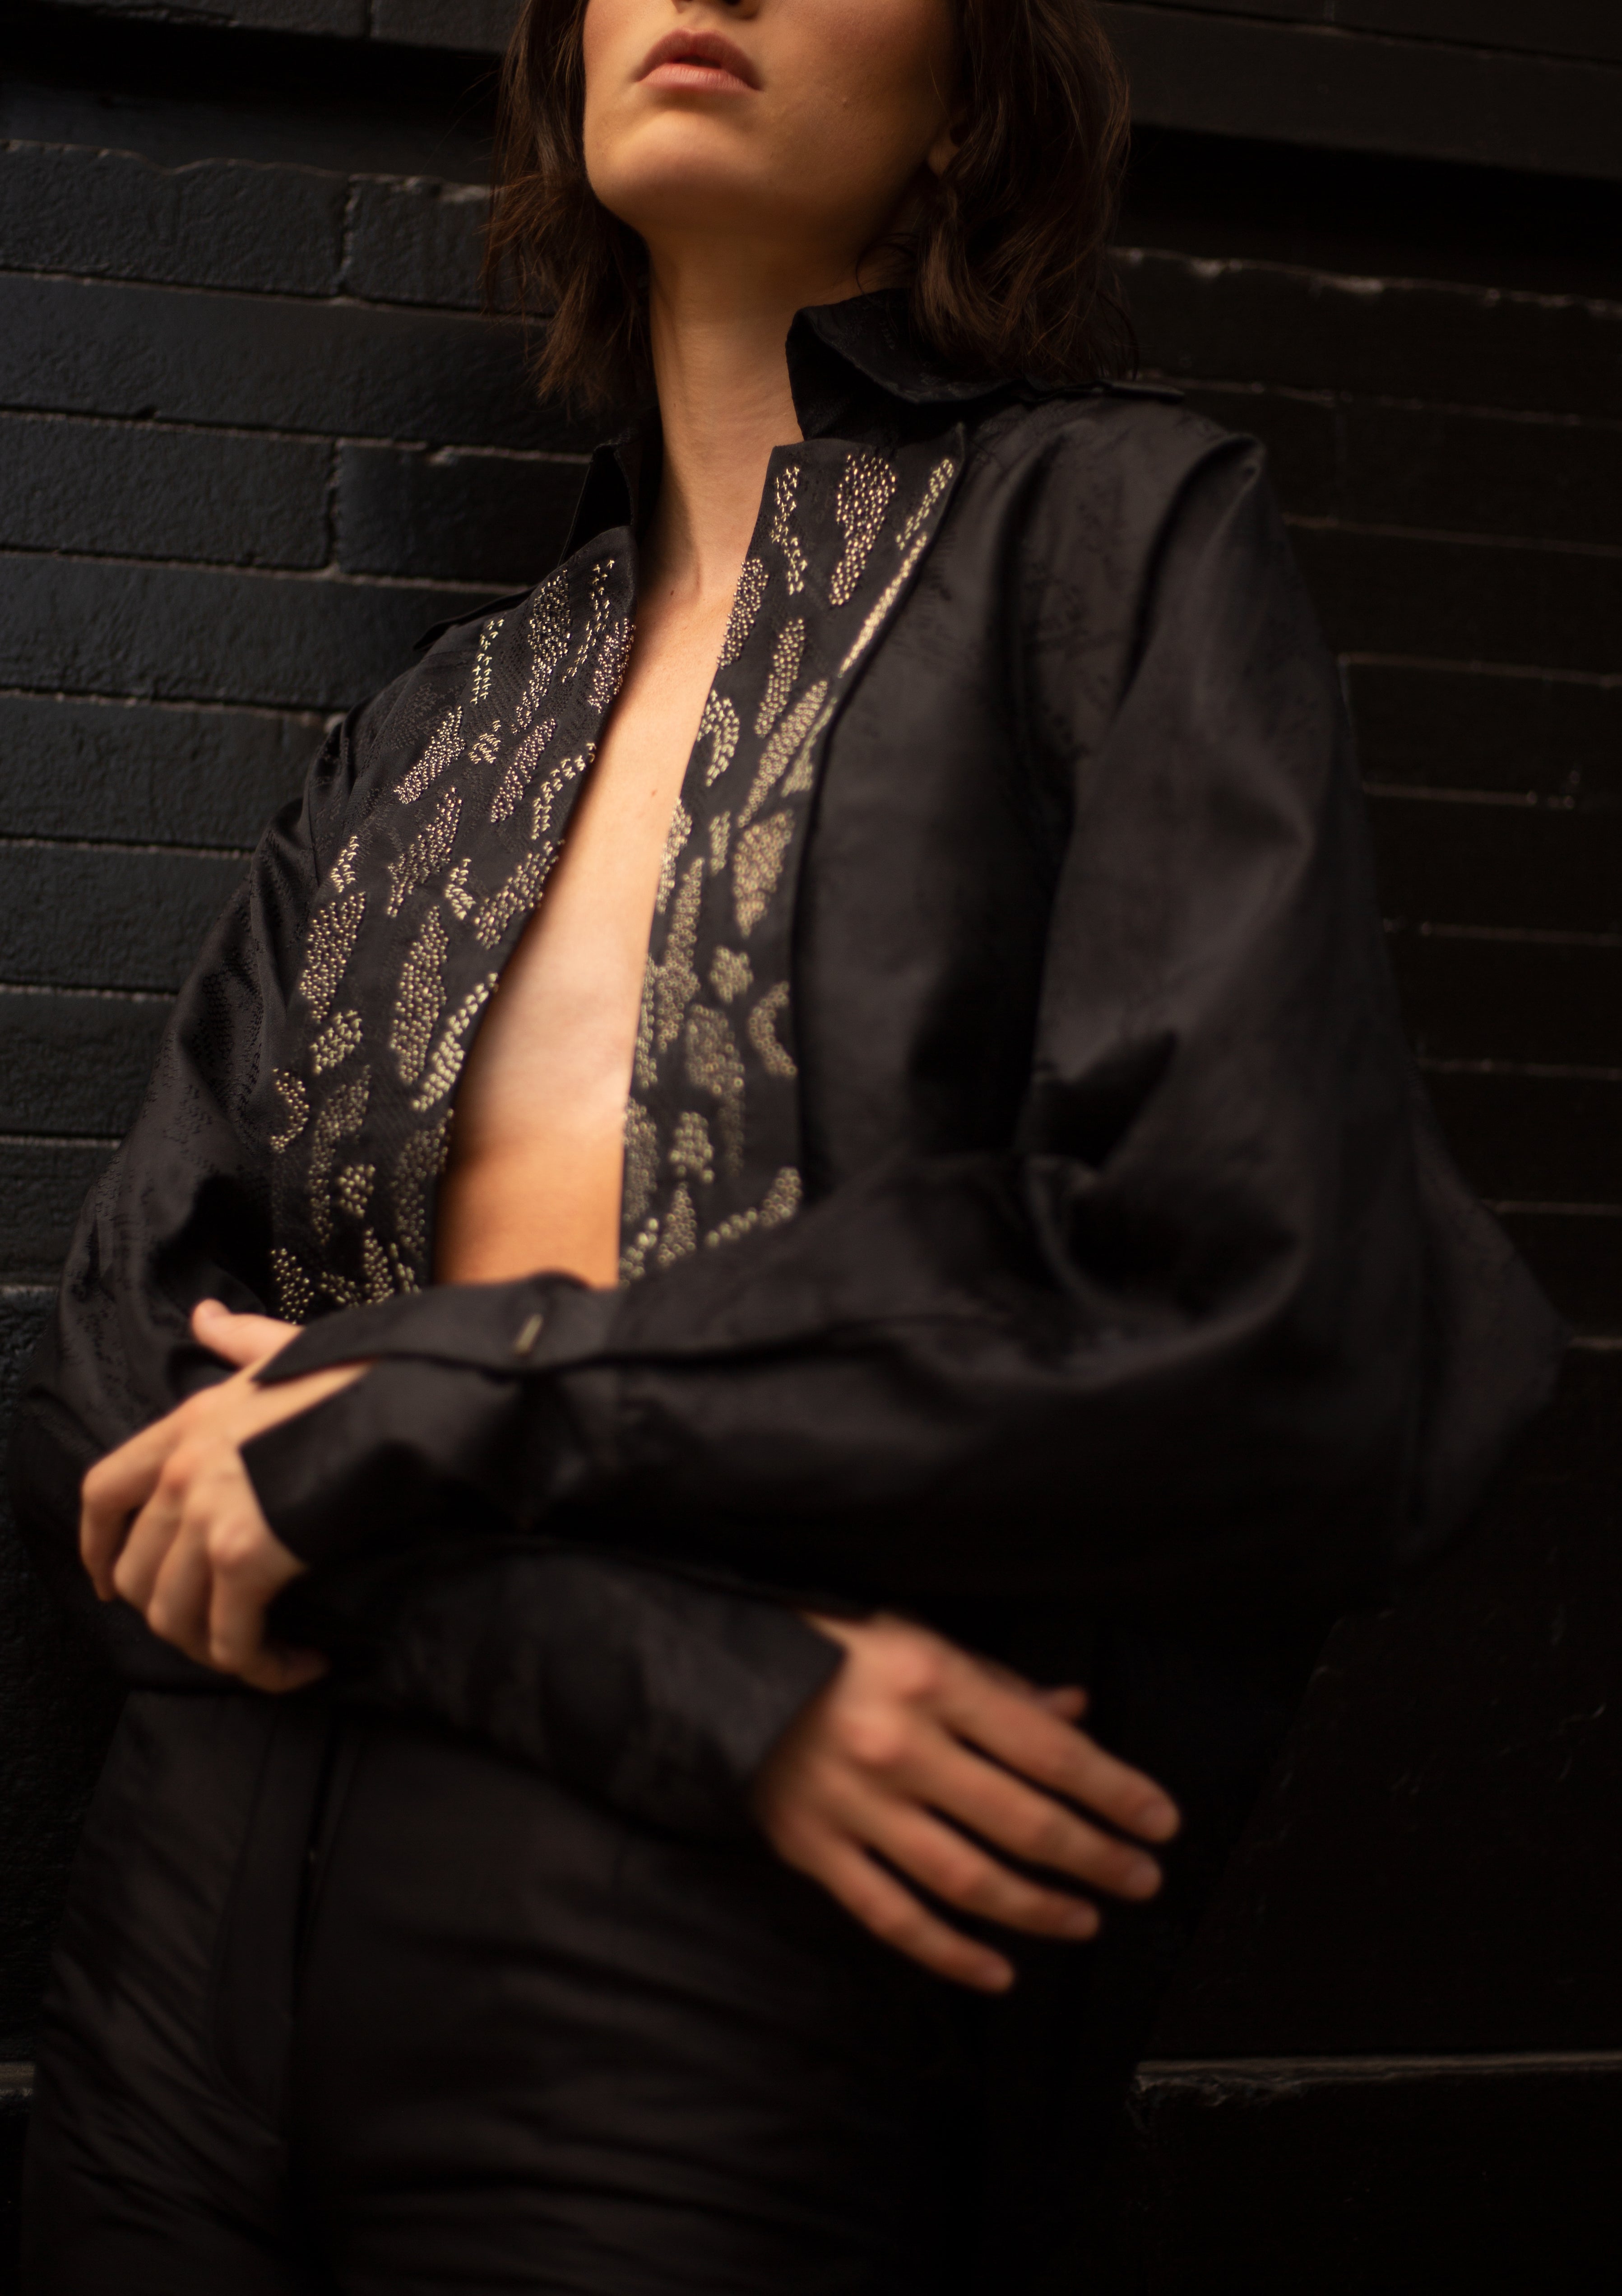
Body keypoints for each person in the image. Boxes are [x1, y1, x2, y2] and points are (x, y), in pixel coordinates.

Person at [14, 0, 1563, 2289]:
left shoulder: (1106, 539)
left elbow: (1245, 1286)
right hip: (175, 1962)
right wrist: (679, 1680)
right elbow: (117, 1401)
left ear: (966, 99)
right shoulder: (433, 721)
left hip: (696, 1996)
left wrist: (439, 1383)